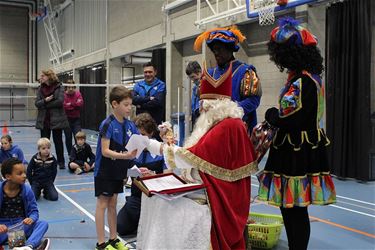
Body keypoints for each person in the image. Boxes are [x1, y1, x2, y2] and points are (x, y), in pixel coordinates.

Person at [141, 59, 258, 249]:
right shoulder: (220, 122)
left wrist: (155, 146)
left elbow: (193, 157)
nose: (201, 108)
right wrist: (168, 144)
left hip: (221, 197)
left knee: (166, 208)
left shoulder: (226, 126)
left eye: (203, 103)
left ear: (214, 105)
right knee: (157, 201)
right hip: (213, 188)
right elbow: (199, 155)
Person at [257, 17, 337, 250]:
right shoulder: (310, 79)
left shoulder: (303, 82)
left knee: (295, 208)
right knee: (291, 207)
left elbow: (292, 119)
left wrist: (271, 115)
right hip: (298, 148)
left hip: (296, 151)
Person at [194, 26, 262, 132]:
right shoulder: (210, 73)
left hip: (235, 130)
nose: (216, 53)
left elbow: (253, 101)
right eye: (214, 50)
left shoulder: (245, 72)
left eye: (220, 49)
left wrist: (227, 111)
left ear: (230, 49)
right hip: (211, 131)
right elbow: (202, 100)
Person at [94, 85, 138, 250]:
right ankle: (101, 243)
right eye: (126, 105)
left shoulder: (129, 125)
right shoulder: (107, 124)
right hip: (104, 171)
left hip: (118, 171)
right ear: (115, 104)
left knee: (113, 203)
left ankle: (113, 239)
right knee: (102, 204)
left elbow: (137, 143)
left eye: (130, 105)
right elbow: (105, 151)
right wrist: (125, 156)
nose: (129, 108)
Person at [117, 113, 166, 236]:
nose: (139, 138)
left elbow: (168, 177)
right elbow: (123, 178)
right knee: (121, 227)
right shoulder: (131, 150)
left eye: (143, 135)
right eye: (137, 134)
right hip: (137, 198)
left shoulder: (161, 150)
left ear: (150, 133)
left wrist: (152, 175)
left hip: (156, 198)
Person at [0, 158, 50, 250]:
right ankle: (15, 242)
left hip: (20, 226)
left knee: (43, 224)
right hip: (3, 228)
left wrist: (31, 218)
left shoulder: (27, 190)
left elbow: (34, 211)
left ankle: (28, 246)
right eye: (19, 173)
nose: (24, 176)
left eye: (24, 172)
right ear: (8, 176)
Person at [35, 69, 69, 169]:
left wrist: (45, 104)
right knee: (43, 143)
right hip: (44, 120)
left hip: (56, 120)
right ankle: (43, 161)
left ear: (49, 76)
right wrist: (45, 100)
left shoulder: (59, 87)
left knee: (58, 141)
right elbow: (37, 103)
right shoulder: (40, 88)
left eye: (43, 76)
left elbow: (60, 101)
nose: (41, 77)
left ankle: (61, 162)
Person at [63, 79, 84, 157]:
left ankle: (79, 154)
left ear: (74, 87)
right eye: (69, 87)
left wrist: (70, 104)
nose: (71, 89)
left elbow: (80, 104)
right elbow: (65, 107)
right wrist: (75, 104)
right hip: (67, 120)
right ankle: (70, 154)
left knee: (78, 137)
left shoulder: (78, 94)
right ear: (66, 88)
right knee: (68, 138)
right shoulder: (64, 95)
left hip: (76, 120)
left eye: (72, 87)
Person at [185, 61, 202, 128]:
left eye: (193, 77)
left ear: (199, 72)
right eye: (190, 78)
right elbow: (193, 106)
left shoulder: (207, 86)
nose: (192, 80)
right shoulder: (195, 88)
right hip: (195, 119)